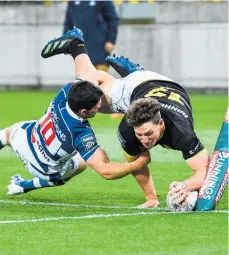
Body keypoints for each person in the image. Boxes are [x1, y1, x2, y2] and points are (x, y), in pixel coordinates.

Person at [40, 27, 210, 209]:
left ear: (160, 123)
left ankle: (124, 70)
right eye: (140, 135)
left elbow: (206, 170)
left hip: (164, 84)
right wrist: (151, 198)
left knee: (94, 87)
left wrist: (187, 185)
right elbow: (137, 163)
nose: (144, 140)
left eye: (148, 133)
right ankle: (76, 45)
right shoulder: (128, 130)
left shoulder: (182, 133)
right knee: (89, 89)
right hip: (135, 88)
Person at [0, 29, 150, 197]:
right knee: (81, 164)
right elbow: (106, 171)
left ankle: (76, 44)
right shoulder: (80, 133)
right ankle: (25, 185)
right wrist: (136, 165)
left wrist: (79, 50)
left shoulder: (68, 91)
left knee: (5, 135)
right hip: (43, 169)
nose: (101, 105)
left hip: (25, 140)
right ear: (84, 112)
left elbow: (87, 74)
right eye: (97, 106)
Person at [63, 0, 121, 119]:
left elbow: (113, 19)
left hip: (99, 43)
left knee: (102, 78)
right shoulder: (73, 2)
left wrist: (111, 39)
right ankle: (84, 107)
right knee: (84, 78)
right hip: (81, 44)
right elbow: (68, 21)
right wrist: (65, 41)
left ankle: (117, 107)